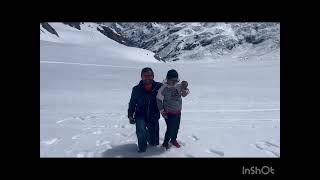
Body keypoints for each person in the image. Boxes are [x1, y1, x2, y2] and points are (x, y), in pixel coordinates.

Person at [128, 67, 162, 153]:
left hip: (154, 114)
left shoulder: (159, 87)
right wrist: (130, 115)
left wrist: (184, 89)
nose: (147, 77)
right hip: (140, 115)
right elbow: (132, 103)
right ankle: (142, 149)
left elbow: (171, 90)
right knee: (141, 130)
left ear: (153, 76)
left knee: (154, 142)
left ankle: (149, 138)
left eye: (149, 75)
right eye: (145, 76)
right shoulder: (136, 89)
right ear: (141, 77)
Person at [156, 69, 190, 150]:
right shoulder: (163, 88)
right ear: (167, 79)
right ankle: (165, 143)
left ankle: (173, 140)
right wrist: (162, 111)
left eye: (176, 80)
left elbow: (184, 94)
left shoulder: (179, 86)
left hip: (178, 111)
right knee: (170, 128)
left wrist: (185, 88)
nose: (174, 82)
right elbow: (158, 100)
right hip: (168, 113)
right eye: (172, 80)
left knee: (176, 127)